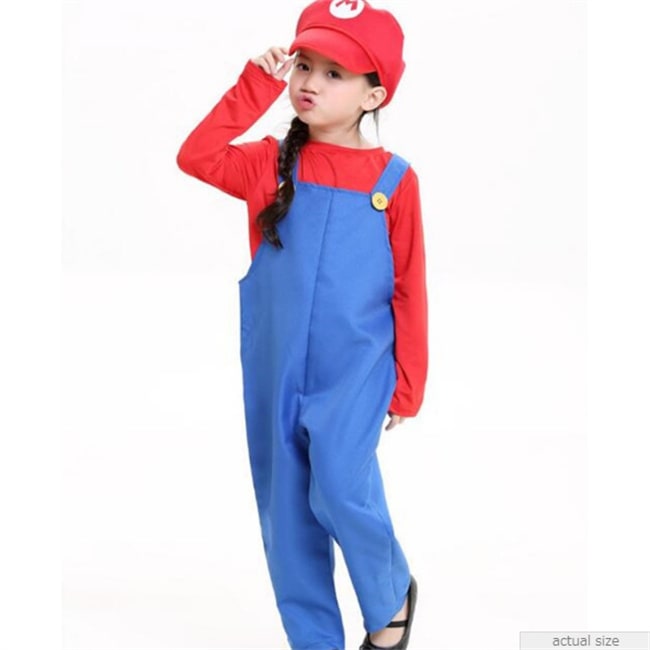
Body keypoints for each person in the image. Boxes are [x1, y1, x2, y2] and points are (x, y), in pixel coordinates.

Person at [176, 1, 428, 648]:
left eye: (334, 73)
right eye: (305, 65)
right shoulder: (269, 164)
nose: (310, 81)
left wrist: (408, 384)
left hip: (356, 370)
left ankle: (389, 594)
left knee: (341, 485)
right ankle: (315, 640)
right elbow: (196, 156)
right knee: (286, 510)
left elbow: (409, 285)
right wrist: (254, 86)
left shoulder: (395, 181)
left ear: (374, 95)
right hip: (276, 364)